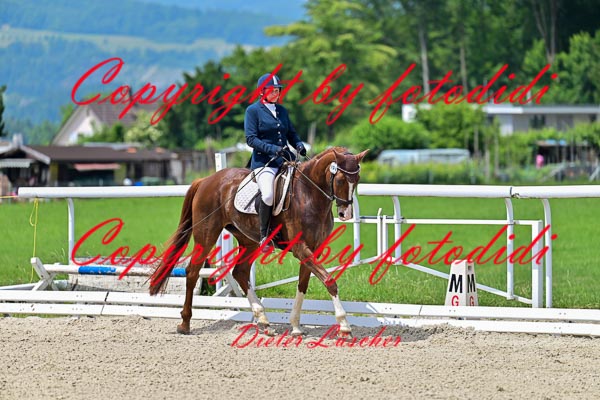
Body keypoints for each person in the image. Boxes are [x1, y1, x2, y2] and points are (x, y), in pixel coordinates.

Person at [245, 72, 307, 251]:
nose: (276, 93)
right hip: (265, 162)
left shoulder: (282, 111)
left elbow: (291, 133)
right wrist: (272, 149)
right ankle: (264, 236)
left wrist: (298, 144)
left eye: (278, 90)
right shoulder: (253, 111)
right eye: (272, 90)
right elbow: (251, 139)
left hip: (286, 160)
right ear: (262, 91)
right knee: (268, 195)